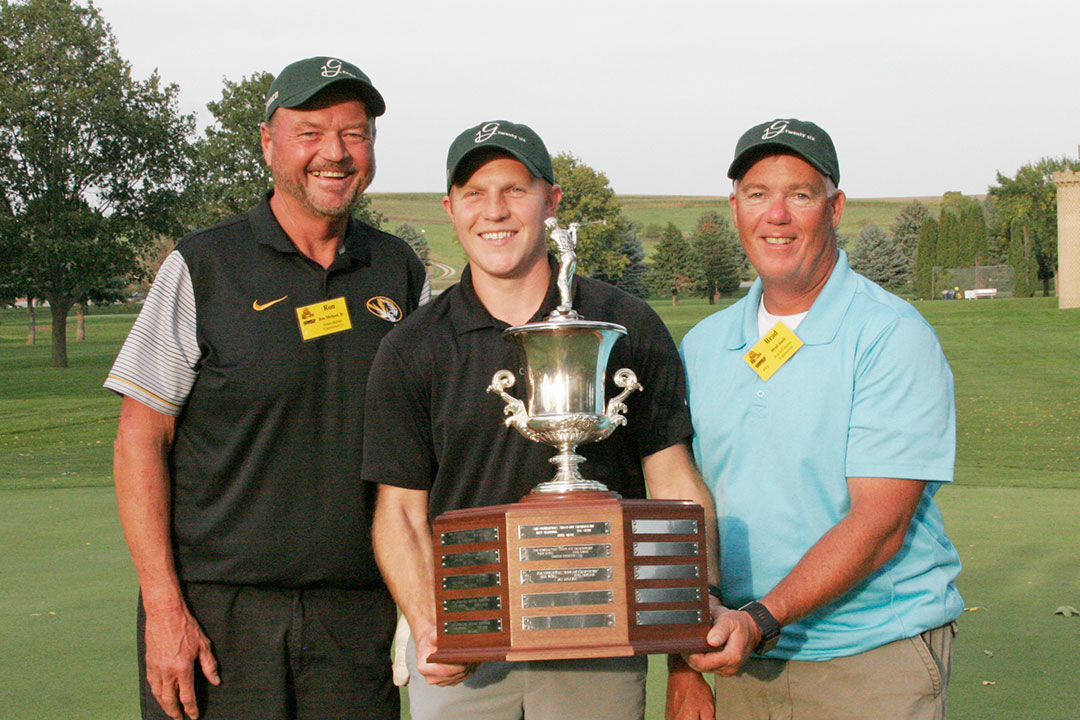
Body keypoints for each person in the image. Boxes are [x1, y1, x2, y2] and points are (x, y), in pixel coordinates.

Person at [105, 56, 429, 720]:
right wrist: (164, 608)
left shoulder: (398, 271)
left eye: (355, 133)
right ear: (268, 143)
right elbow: (139, 441)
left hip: (358, 619)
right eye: (310, 131)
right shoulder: (202, 265)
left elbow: (428, 445)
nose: (334, 153)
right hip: (218, 619)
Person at [363, 120, 718, 720]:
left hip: (598, 643)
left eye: (515, 190)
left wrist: (687, 654)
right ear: (450, 209)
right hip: (466, 657)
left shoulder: (623, 326)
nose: (494, 211)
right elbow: (398, 511)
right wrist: (428, 626)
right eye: (475, 193)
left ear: (551, 201)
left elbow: (675, 489)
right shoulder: (412, 346)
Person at [669, 118, 963, 720]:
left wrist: (759, 620)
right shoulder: (703, 344)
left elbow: (880, 523)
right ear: (735, 208)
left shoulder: (890, 335)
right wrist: (682, 663)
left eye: (799, 195)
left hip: (870, 656)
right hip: (740, 656)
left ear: (834, 208)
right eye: (757, 194)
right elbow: (681, 509)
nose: (775, 215)